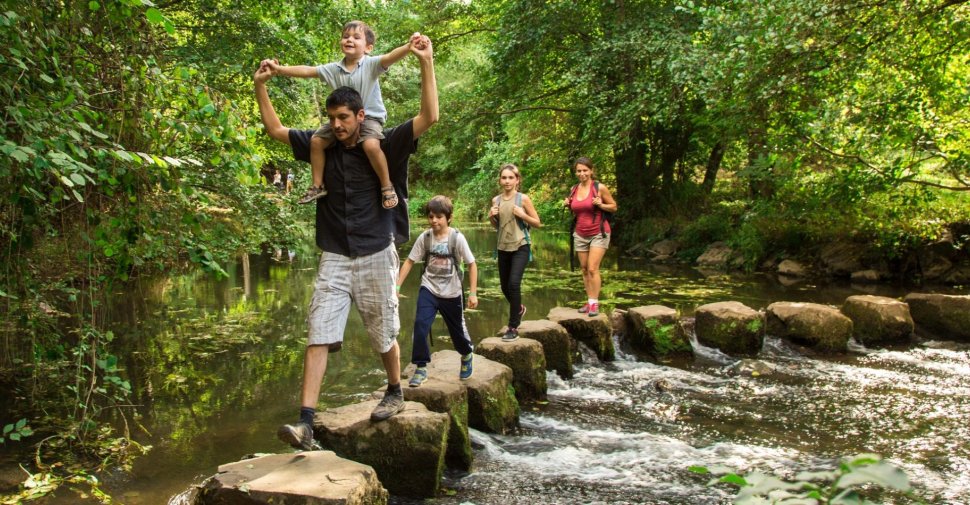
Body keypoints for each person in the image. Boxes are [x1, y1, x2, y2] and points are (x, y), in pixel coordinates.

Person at [254, 34, 437, 450]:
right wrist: (261, 85)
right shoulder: (322, 145)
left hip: (376, 251)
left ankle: (394, 388)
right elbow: (275, 129)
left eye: (343, 118)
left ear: (360, 114)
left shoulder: (385, 143)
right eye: (331, 118)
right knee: (318, 332)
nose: (336, 125)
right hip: (334, 255)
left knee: (382, 331)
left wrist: (426, 63)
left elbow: (429, 116)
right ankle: (305, 423)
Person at [264, 21, 420, 208]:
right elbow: (306, 71)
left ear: (368, 48)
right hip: (342, 120)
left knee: (371, 145)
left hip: (370, 117)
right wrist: (279, 70)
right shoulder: (333, 69)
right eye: (346, 36)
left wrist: (409, 47)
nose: (349, 40)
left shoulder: (371, 65)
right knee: (316, 141)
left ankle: (386, 185)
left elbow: (390, 57)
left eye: (356, 37)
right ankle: (317, 185)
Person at [395, 195, 478, 386]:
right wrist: (397, 286)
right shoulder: (425, 238)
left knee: (458, 332)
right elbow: (409, 262)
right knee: (420, 325)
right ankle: (421, 367)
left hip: (452, 292)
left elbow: (472, 265)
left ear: (448, 217)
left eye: (438, 217)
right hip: (429, 288)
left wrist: (473, 293)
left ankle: (466, 354)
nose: (434, 221)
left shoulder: (457, 238)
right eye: (431, 216)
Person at [488, 164, 541, 341]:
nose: (507, 181)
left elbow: (537, 222)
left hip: (521, 246)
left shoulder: (523, 199)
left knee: (513, 284)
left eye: (511, 178)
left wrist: (522, 214)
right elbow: (497, 226)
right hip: (503, 247)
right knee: (504, 287)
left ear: (517, 180)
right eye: (504, 178)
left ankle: (513, 327)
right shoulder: (496, 200)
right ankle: (519, 308)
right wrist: (491, 217)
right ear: (500, 180)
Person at [564, 157, 617, 317]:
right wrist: (568, 204)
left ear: (591, 171)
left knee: (593, 268)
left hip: (599, 232)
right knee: (585, 269)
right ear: (576, 172)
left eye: (585, 170)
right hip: (580, 233)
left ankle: (594, 304)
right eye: (579, 171)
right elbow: (577, 210)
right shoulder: (574, 189)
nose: (582, 173)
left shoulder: (599, 187)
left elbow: (614, 207)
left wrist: (601, 205)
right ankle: (589, 302)